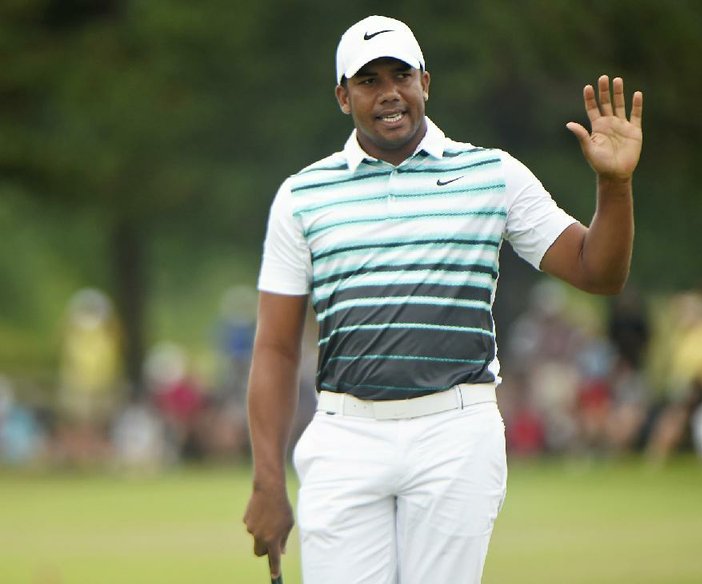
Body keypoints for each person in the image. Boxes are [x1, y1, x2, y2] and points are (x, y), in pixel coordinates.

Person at [244, 15, 643, 584]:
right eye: (367, 80)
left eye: (401, 74)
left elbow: (596, 271)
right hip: (344, 433)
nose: (388, 93)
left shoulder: (492, 174)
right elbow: (277, 348)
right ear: (342, 96)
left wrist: (615, 186)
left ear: (425, 82)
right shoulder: (302, 196)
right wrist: (266, 483)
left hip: (455, 432)